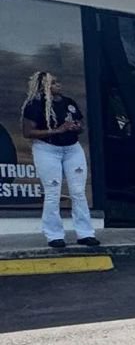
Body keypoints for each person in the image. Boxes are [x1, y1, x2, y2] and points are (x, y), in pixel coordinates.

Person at [19, 70, 98, 249]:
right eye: (53, 83)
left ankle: (85, 233)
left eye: (57, 82)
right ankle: (54, 235)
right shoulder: (34, 105)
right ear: (43, 86)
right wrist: (57, 130)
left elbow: (81, 125)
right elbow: (28, 132)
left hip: (72, 148)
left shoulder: (68, 102)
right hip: (47, 149)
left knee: (78, 192)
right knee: (53, 192)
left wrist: (76, 127)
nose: (58, 85)